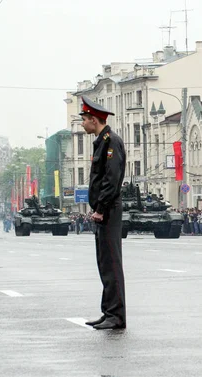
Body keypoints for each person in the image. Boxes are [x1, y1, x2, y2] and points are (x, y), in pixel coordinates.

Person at [80, 96, 127, 330]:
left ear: (94, 120)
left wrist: (100, 209)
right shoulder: (101, 141)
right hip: (104, 211)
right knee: (104, 263)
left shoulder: (111, 143)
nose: (82, 124)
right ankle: (108, 311)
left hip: (108, 211)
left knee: (112, 264)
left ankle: (116, 316)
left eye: (84, 120)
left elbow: (111, 180)